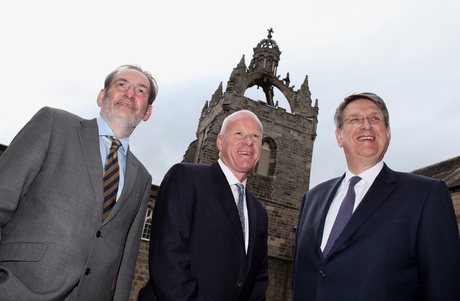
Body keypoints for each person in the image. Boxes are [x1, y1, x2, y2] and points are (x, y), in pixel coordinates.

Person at [0, 64, 158, 301]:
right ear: (102, 96)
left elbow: (126, 263)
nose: (129, 94)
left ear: (146, 112)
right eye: (122, 85)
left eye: (140, 91)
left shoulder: (143, 177)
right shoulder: (54, 123)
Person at [292, 92, 460, 301]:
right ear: (339, 136)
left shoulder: (426, 194)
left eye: (375, 119)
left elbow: (444, 288)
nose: (366, 125)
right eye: (354, 119)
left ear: (387, 133)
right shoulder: (312, 199)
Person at [138, 110, 269, 301]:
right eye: (239, 133)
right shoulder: (186, 177)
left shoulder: (259, 212)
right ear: (220, 141)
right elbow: (169, 258)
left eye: (255, 137)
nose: (248, 142)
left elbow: (257, 283)